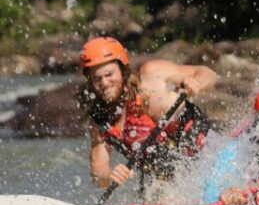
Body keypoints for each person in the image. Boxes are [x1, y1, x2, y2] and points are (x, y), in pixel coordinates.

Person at [78, 36, 217, 189]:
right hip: (172, 184)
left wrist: (196, 82)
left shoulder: (152, 76)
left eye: (109, 74)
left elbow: (207, 73)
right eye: (97, 78)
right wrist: (110, 177)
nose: (104, 83)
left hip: (212, 156)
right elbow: (99, 172)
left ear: (122, 70)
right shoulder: (100, 122)